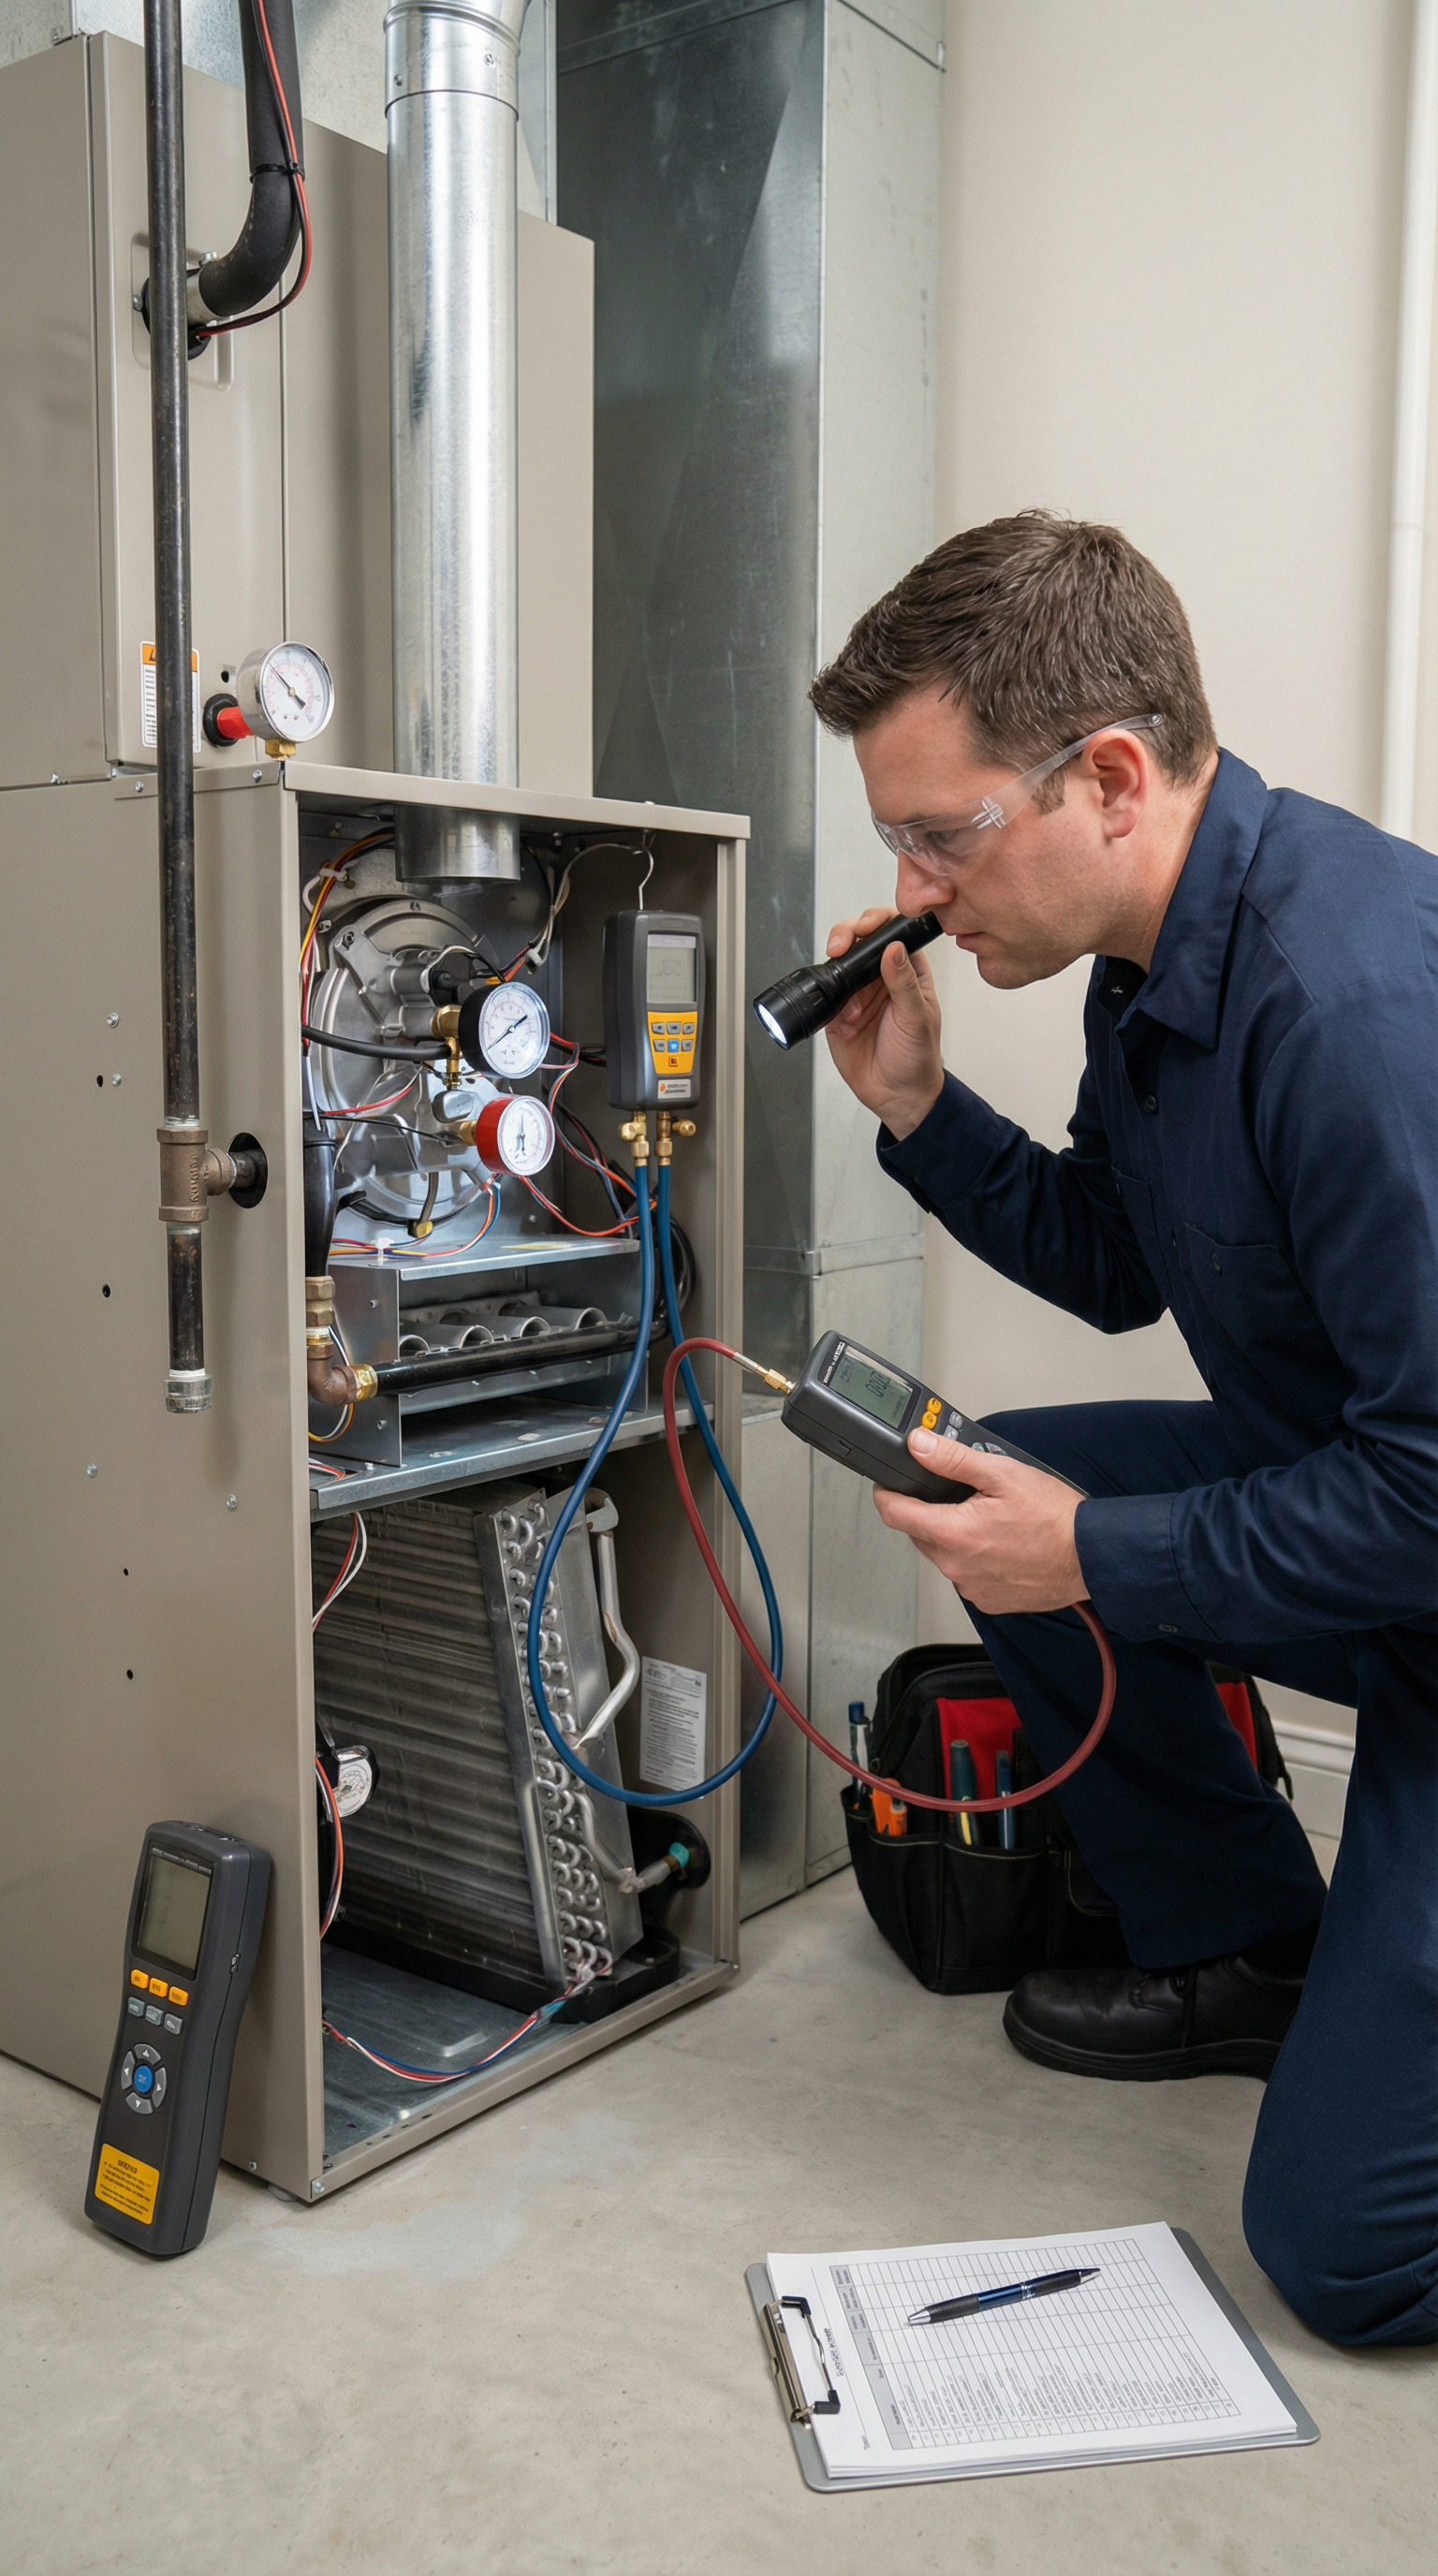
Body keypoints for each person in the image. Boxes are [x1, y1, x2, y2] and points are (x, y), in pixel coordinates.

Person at [811, 511, 1437, 2349]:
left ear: (1106, 776)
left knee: (1347, 2253)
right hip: (1383, 1545)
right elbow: (1114, 1262)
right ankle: (1256, 1945)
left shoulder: (1355, 1007)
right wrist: (921, 1108)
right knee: (988, 1473)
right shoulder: (1147, 965)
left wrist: (1099, 1551)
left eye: (943, 834)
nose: (917, 890)